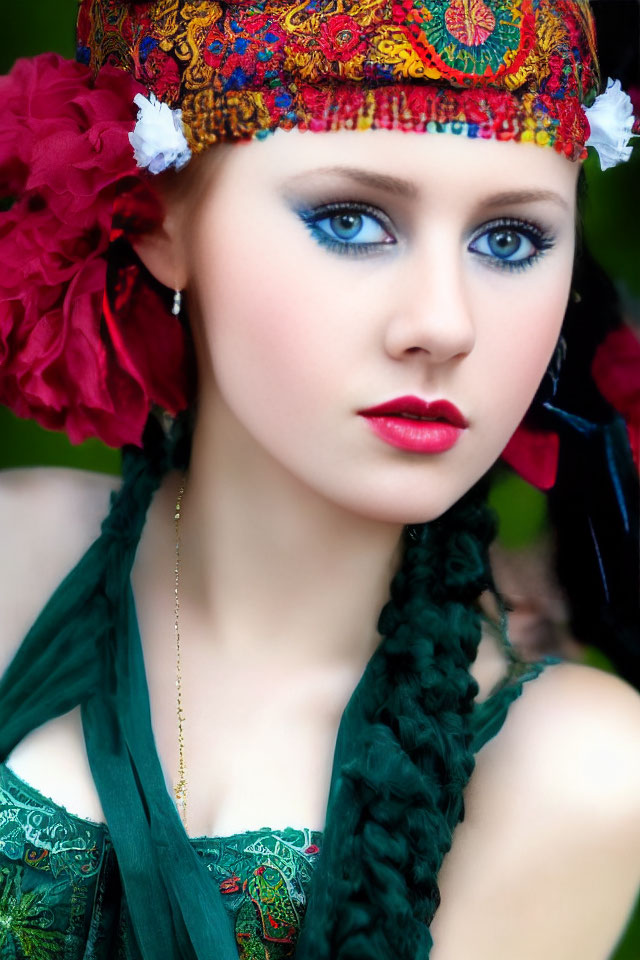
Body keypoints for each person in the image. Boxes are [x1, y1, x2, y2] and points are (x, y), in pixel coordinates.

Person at [0, 1, 639, 958]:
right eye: (350, 220)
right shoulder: (18, 552)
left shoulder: (576, 767)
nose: (444, 323)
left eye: (508, 240)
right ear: (157, 221)